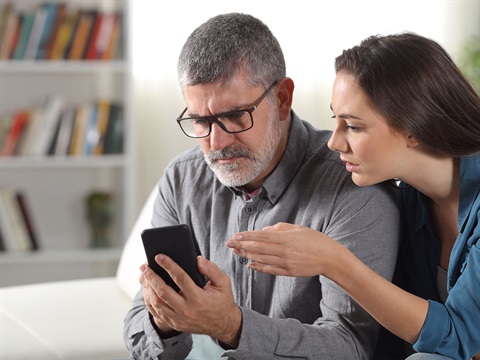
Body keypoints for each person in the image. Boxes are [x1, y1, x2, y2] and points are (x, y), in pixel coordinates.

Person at [124, 13, 402, 359]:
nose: (217, 141)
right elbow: (138, 328)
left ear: (283, 99)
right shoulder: (182, 179)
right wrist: (166, 319)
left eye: (235, 116)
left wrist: (231, 326)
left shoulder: (353, 189)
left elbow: (350, 347)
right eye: (200, 121)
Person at [226, 32, 480, 360]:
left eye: (354, 127)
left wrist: (334, 261)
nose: (334, 142)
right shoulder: (409, 202)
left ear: (414, 127)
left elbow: (460, 336)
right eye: (336, 120)